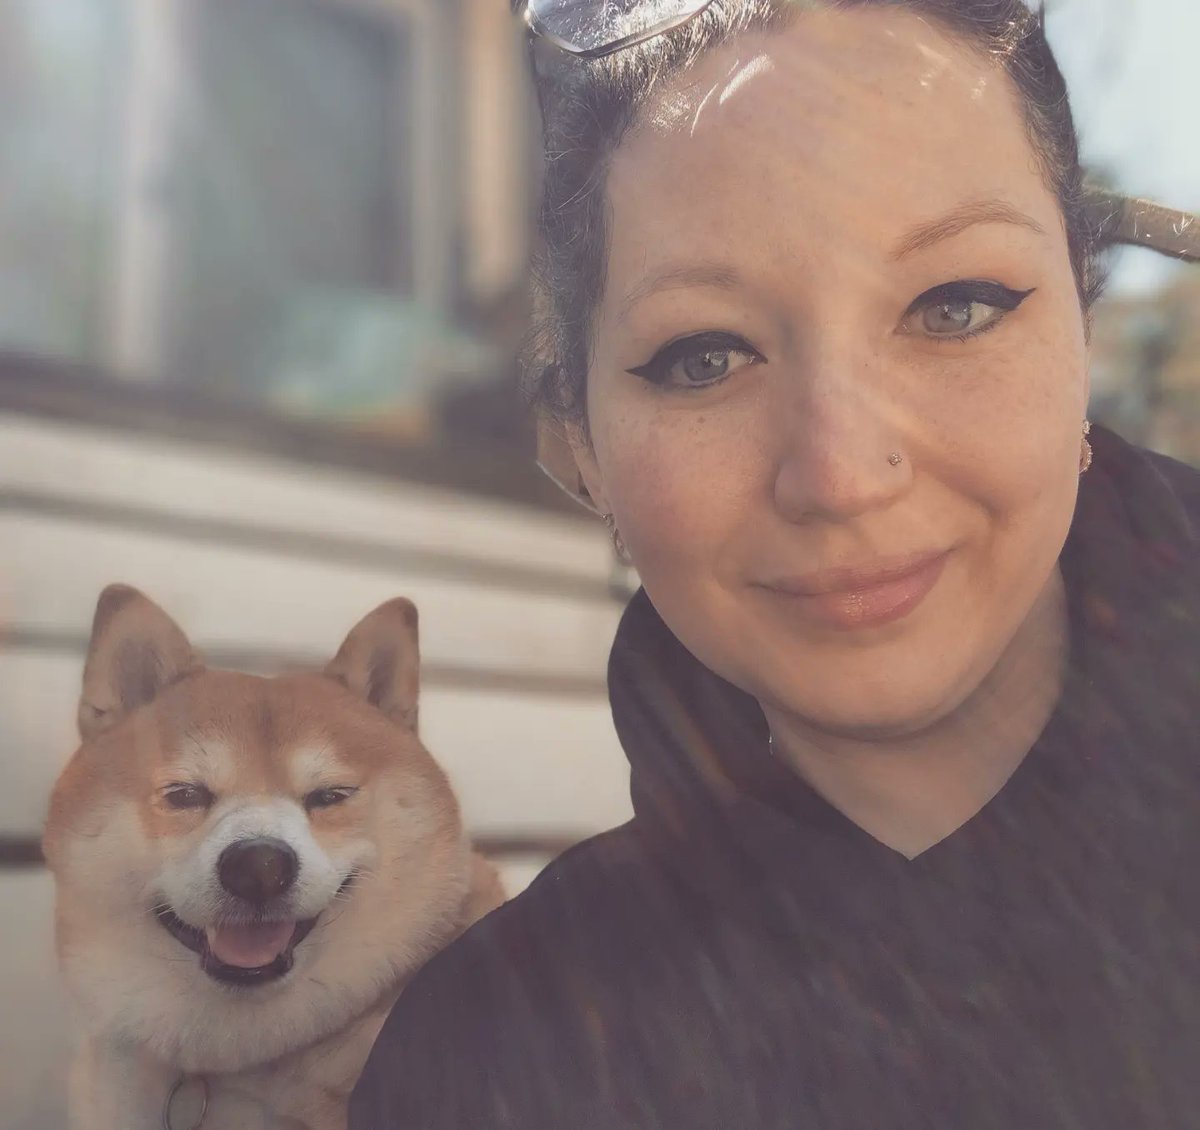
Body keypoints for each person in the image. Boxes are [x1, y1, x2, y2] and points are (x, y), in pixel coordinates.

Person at [351, 2, 1200, 1126]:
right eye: (705, 355)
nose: (842, 471)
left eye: (955, 305)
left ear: (1084, 336)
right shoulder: (496, 1054)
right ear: (581, 448)